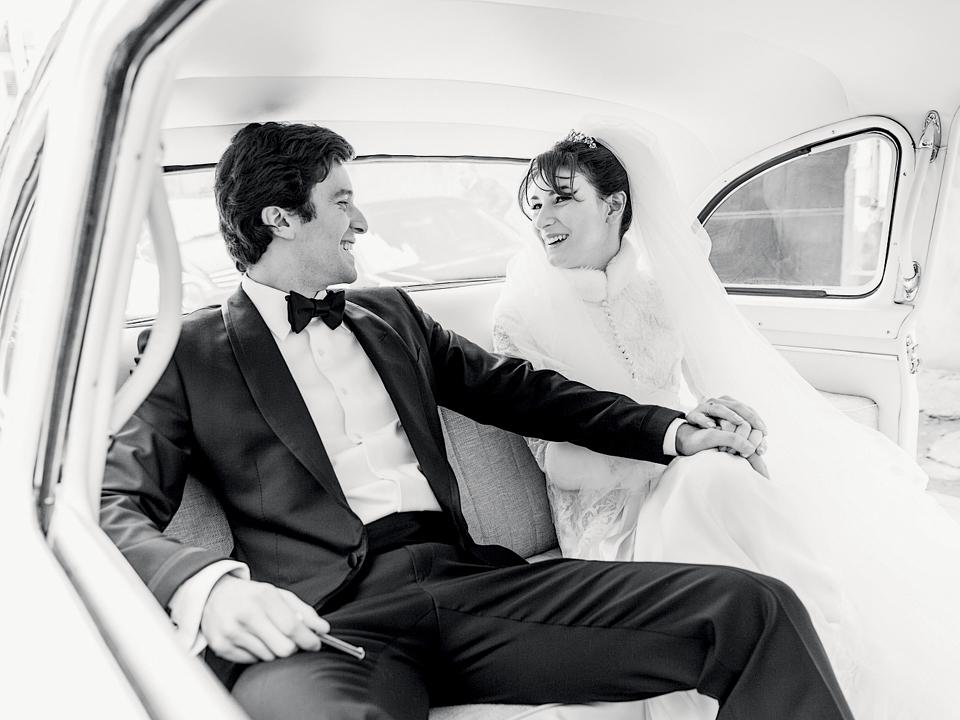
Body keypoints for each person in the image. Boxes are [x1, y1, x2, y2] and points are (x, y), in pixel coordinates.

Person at [100, 122, 854, 720]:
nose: (362, 219)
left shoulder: (391, 315)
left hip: (473, 588)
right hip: (325, 624)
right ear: (281, 218)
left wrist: (674, 429)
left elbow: (525, 393)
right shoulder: (183, 352)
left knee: (755, 608)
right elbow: (111, 503)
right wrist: (208, 587)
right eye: (341, 200)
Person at [493, 119, 960, 720]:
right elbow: (555, 461)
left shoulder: (657, 293)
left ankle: (817, 643)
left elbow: (705, 390)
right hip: (608, 516)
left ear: (614, 205)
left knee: (724, 473)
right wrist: (681, 441)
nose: (544, 219)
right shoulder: (519, 317)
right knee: (711, 479)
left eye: (563, 199)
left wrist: (732, 424)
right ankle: (809, 656)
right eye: (536, 206)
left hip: (691, 476)